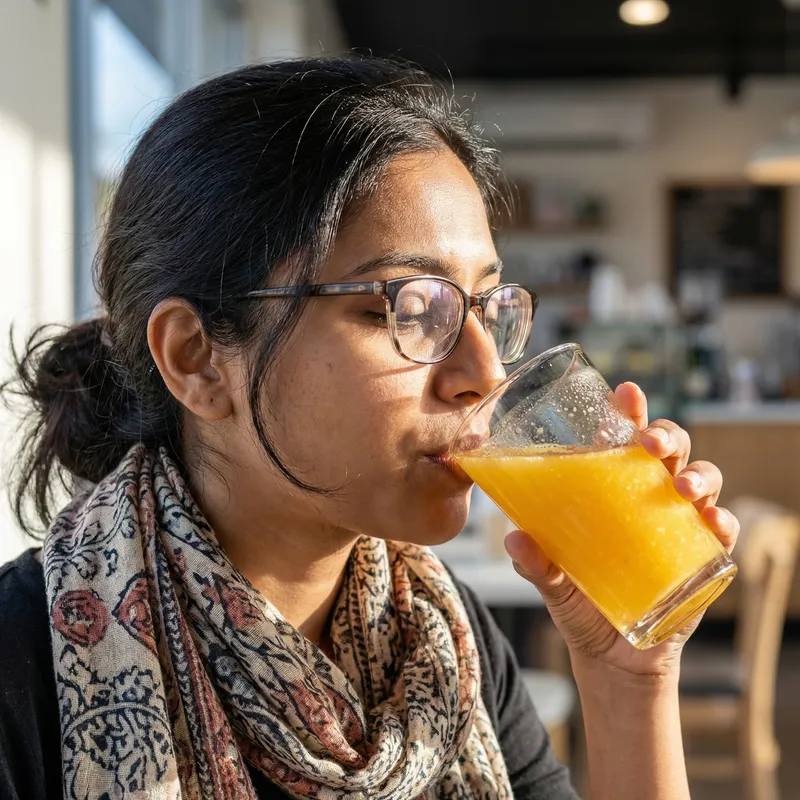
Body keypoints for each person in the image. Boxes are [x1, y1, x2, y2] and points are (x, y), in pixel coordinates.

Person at [0, 56, 738, 800]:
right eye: (410, 309)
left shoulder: (442, 645)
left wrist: (626, 678)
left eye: (485, 304)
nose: (483, 371)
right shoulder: (24, 668)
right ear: (196, 360)